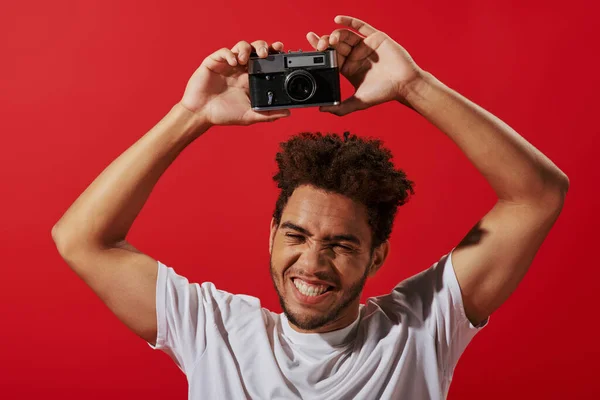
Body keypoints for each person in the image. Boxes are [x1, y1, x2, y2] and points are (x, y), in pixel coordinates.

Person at [51, 15, 569, 400]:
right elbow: (79, 239)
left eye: (342, 245)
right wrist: (192, 114)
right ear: (272, 234)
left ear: (377, 254)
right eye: (296, 236)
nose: (312, 264)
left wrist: (414, 86)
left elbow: (539, 195)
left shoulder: (420, 327)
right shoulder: (216, 330)